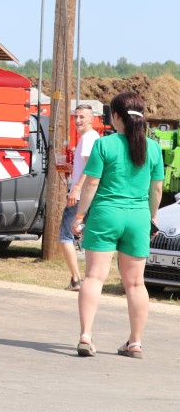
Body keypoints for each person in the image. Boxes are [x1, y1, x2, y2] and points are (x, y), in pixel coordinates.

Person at [74, 91, 163, 359]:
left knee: (94, 276)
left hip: (105, 214)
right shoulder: (154, 148)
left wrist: (79, 217)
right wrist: (152, 217)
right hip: (137, 218)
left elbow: (91, 184)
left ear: (115, 117)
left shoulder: (105, 144)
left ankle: (86, 337)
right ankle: (135, 342)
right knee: (136, 283)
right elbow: (156, 189)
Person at [60, 104, 99, 291]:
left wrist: (76, 189)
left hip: (81, 195)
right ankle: (89, 279)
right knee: (87, 236)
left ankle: (76, 279)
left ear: (92, 119)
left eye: (82, 117)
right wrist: (71, 169)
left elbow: (91, 168)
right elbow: (86, 167)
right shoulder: (90, 138)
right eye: (76, 116)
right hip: (85, 194)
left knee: (65, 235)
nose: (78, 120)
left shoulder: (89, 138)